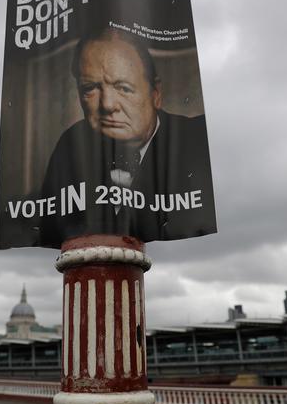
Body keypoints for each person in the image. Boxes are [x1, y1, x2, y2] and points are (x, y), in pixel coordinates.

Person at [40, 27, 216, 247]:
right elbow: (50, 229)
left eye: (123, 88)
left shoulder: (198, 141)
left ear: (156, 93)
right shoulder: (70, 146)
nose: (107, 105)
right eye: (90, 88)